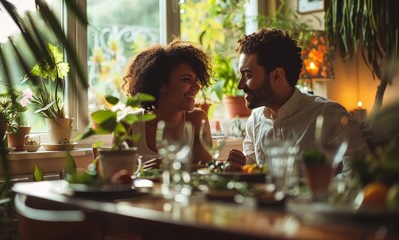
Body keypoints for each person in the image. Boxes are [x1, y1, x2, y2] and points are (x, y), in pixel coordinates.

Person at [227, 28, 369, 173]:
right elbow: (255, 165)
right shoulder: (255, 120)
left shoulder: (331, 116)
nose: (240, 85)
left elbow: (359, 173)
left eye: (248, 75)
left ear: (277, 76)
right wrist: (243, 164)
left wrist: (316, 190)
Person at [122, 38, 213, 168]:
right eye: (187, 79)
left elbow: (206, 170)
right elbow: (116, 179)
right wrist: (144, 171)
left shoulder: (197, 120)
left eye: (197, 80)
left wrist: (169, 167)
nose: (197, 87)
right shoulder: (127, 125)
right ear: (161, 84)